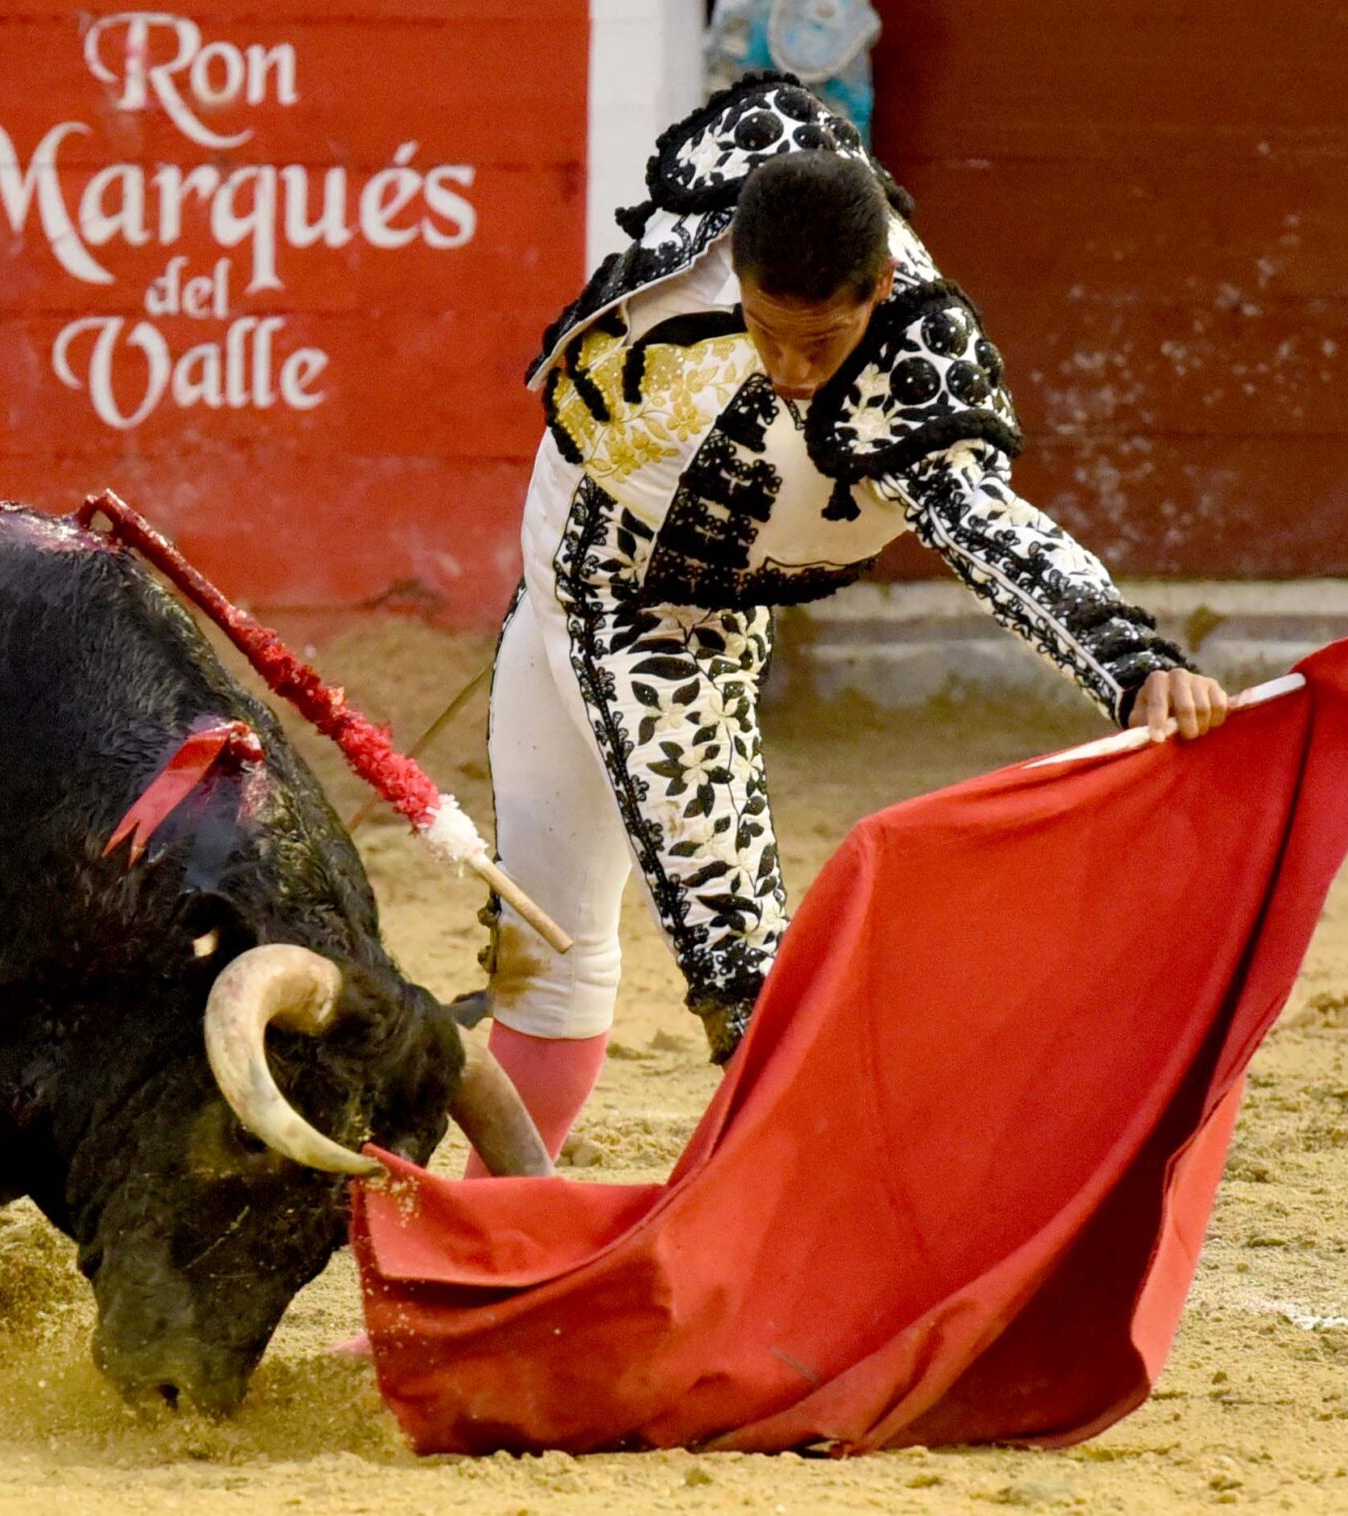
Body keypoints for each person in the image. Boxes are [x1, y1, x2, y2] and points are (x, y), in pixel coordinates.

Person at [477, 72, 1231, 1159]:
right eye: (766, 333)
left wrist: (1133, 658)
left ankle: (801, 1240)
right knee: (540, 939)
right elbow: (780, 111)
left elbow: (986, 524)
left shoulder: (910, 364)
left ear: (875, 289)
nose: (789, 371)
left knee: (741, 974)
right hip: (561, 541)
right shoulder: (746, 204)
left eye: (818, 345)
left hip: (674, 621)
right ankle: (487, 1241)